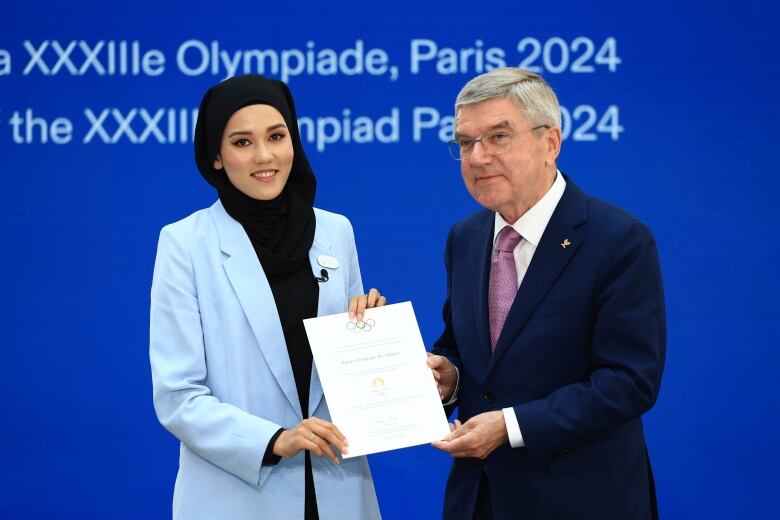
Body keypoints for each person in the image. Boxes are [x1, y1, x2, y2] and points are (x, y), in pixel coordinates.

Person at [427, 67, 666, 519]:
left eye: (498, 137)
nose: (477, 157)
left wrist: (511, 426)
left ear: (550, 143)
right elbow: (462, 348)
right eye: (464, 142)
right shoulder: (466, 237)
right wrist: (449, 377)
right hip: (480, 500)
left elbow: (629, 381)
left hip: (583, 501)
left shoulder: (618, 240)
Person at [149, 74, 384, 520]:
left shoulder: (336, 231)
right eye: (242, 142)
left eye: (277, 136)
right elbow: (178, 397)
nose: (264, 156)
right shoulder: (184, 244)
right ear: (215, 157)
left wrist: (371, 341)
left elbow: (346, 385)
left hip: (338, 492)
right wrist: (275, 439)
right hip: (238, 496)